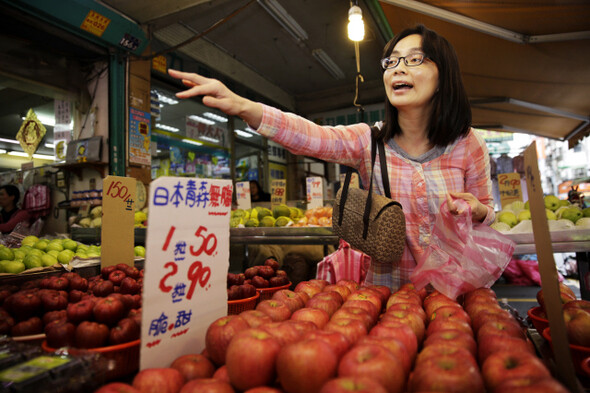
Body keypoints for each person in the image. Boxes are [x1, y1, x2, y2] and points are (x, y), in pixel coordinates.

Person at [168, 24, 495, 290]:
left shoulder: (469, 144)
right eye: (391, 61)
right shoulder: (370, 142)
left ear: (443, 76)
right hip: (385, 303)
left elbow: (486, 222)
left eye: (414, 60)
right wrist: (243, 106)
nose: (397, 69)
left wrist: (479, 212)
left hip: (456, 301)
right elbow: (310, 136)